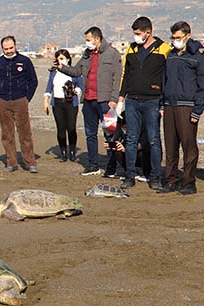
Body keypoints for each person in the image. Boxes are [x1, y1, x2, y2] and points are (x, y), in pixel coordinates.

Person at [55, 26, 122, 175]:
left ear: (97, 39)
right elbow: (77, 71)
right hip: (88, 101)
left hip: (105, 102)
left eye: (88, 40)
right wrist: (61, 67)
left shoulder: (112, 54)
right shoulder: (87, 54)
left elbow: (117, 78)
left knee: (109, 134)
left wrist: (114, 99)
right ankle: (93, 165)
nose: (87, 43)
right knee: (90, 134)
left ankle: (111, 167)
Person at [158, 21, 204, 195]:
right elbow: (164, 81)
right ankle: (170, 180)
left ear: (187, 35)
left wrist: (198, 109)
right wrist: (162, 103)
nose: (175, 40)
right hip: (169, 106)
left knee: (189, 146)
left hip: (187, 106)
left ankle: (189, 181)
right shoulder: (171, 55)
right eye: (172, 37)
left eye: (178, 37)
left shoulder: (199, 55)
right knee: (171, 146)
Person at [118, 16, 171, 189]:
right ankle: (130, 175)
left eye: (138, 33)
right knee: (131, 139)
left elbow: (167, 78)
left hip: (153, 101)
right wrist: (120, 98)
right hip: (132, 100)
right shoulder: (131, 49)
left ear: (148, 32)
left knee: (154, 139)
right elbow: (126, 74)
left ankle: (155, 177)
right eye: (134, 33)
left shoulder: (163, 49)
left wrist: (163, 103)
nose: (136, 36)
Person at [0, 35, 39, 173]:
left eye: (11, 48)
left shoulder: (25, 61)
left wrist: (27, 98)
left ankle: (30, 162)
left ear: (15, 46)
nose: (9, 51)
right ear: (2, 49)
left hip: (20, 100)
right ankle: (11, 162)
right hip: (2, 101)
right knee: (7, 133)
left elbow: (33, 81)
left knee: (25, 132)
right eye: (6, 49)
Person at [43, 49, 84, 162]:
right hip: (57, 103)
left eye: (62, 58)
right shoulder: (53, 72)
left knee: (71, 128)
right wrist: (46, 101)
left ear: (67, 59)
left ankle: (72, 152)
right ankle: (63, 152)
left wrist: (76, 90)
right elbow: (48, 88)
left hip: (71, 103)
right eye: (58, 59)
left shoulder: (74, 71)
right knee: (60, 128)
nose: (60, 61)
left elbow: (81, 85)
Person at [103, 111, 152, 181]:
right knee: (117, 150)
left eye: (125, 127)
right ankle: (131, 171)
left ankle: (147, 173)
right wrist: (111, 145)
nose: (124, 129)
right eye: (122, 127)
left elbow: (142, 145)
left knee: (143, 152)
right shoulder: (120, 126)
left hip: (142, 153)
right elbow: (115, 140)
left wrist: (126, 149)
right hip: (130, 153)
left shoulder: (143, 128)